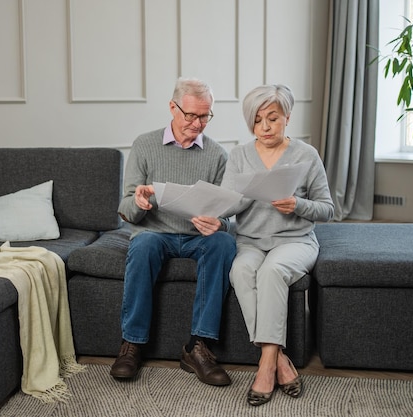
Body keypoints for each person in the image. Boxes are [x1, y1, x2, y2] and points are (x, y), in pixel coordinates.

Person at [110, 77, 236, 386]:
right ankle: (133, 344)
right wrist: (139, 201)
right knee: (142, 247)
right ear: (172, 107)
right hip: (155, 234)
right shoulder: (145, 145)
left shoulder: (218, 155)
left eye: (204, 116)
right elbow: (126, 209)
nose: (197, 123)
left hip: (198, 238)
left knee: (223, 243)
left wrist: (220, 224)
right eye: (190, 115)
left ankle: (198, 347)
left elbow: (229, 213)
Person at [220, 84, 334, 405]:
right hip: (251, 242)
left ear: (287, 117)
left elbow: (327, 209)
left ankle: (266, 366)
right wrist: (222, 207)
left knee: (272, 271)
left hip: (295, 241)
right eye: (257, 121)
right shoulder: (240, 155)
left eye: (273, 118)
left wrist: (298, 204)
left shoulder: (306, 155)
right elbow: (229, 207)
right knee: (241, 270)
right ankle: (281, 358)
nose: (265, 127)